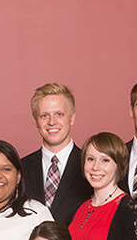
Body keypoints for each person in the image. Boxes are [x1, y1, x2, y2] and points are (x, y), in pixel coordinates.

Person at [20, 83, 92, 224]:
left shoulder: (91, 167)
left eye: (59, 114)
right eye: (44, 115)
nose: (52, 122)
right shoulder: (21, 168)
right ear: (36, 121)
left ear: (71, 118)